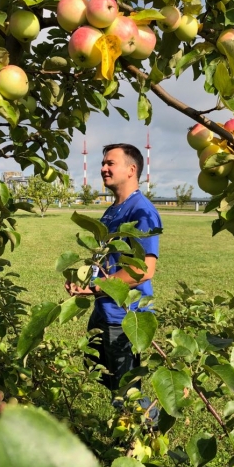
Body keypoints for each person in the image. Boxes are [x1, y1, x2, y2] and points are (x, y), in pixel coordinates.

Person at [65, 143, 162, 410]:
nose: (103, 168)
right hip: (104, 309)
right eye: (103, 163)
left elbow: (143, 270)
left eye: (111, 163)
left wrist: (95, 288)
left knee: (127, 394)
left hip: (126, 315)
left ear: (131, 170)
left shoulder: (141, 211)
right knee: (105, 377)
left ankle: (139, 440)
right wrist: (83, 280)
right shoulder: (112, 211)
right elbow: (106, 259)